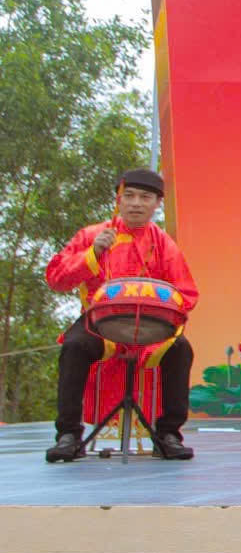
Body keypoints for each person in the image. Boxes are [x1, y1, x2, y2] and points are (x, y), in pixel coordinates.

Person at [44, 168, 199, 462]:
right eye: (129, 196)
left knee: (180, 349)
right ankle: (69, 435)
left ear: (157, 203)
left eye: (145, 197)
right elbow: (56, 279)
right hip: (100, 323)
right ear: (119, 200)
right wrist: (92, 254)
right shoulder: (92, 236)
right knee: (74, 346)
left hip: (149, 327)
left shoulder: (164, 244)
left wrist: (164, 313)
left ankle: (168, 434)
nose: (136, 203)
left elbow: (187, 294)